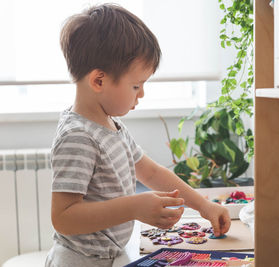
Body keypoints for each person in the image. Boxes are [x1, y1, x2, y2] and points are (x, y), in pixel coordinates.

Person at [45, 3, 231, 267]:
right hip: (80, 261)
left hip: (110, 255)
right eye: (136, 85)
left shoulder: (112, 125)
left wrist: (203, 206)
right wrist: (134, 207)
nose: (141, 94)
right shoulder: (78, 137)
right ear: (99, 81)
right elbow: (64, 217)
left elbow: (152, 173)